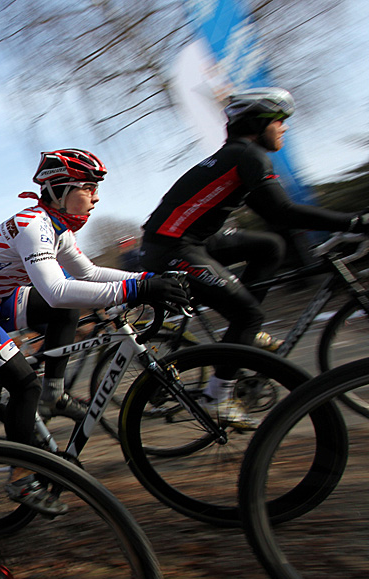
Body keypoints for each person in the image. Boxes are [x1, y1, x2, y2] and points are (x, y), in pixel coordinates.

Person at [0, 148, 189, 467]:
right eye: (89, 188)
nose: (96, 198)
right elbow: (56, 291)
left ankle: (53, 393)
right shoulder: (32, 225)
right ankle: (22, 473)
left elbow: (89, 273)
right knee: (25, 385)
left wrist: (147, 278)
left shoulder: (58, 229)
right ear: (61, 191)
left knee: (68, 311)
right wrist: (137, 289)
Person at [139, 87, 369, 422]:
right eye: (279, 120)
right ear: (258, 123)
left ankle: (244, 331)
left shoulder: (240, 155)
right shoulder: (248, 156)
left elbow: (275, 217)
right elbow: (284, 212)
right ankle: (216, 395)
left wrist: (338, 230)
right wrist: (353, 222)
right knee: (247, 315)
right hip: (170, 248)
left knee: (269, 247)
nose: (284, 128)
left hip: (191, 240)